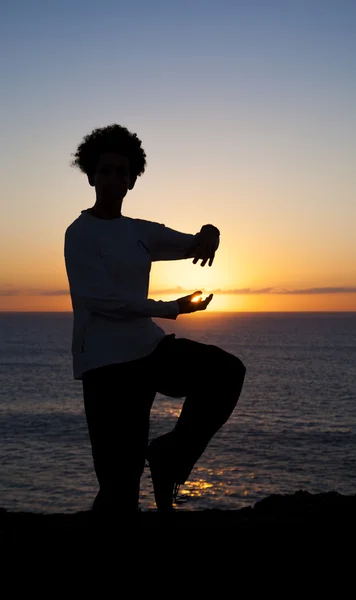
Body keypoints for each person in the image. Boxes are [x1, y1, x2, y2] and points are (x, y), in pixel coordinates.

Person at [64, 123, 246, 517]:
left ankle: (169, 457)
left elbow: (193, 242)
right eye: (106, 170)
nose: (114, 178)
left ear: (132, 180)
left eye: (122, 172)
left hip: (148, 351)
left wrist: (212, 232)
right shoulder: (79, 234)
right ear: (92, 175)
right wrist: (171, 308)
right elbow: (101, 301)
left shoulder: (139, 232)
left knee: (225, 372)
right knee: (119, 491)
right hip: (106, 369)